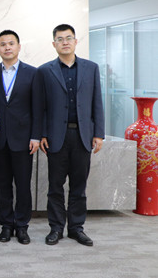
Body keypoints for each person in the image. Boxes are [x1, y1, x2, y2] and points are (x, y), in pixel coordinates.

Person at [34, 24, 104, 247]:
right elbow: (41, 107)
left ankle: (76, 228)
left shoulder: (91, 68)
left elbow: (97, 102)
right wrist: (42, 133)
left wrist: (99, 133)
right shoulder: (44, 71)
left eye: (68, 38)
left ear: (75, 41)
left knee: (78, 186)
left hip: (83, 135)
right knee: (55, 186)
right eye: (60, 39)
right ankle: (56, 228)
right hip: (56, 137)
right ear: (53, 44)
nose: (65, 42)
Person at [0, 30, 40, 244]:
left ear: (19, 47)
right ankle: (6, 224)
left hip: (24, 139)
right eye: (3, 44)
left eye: (11, 43)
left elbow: (38, 107)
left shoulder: (33, 73)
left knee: (23, 185)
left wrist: (36, 136)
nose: (7, 47)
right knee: (2, 185)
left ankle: (22, 226)